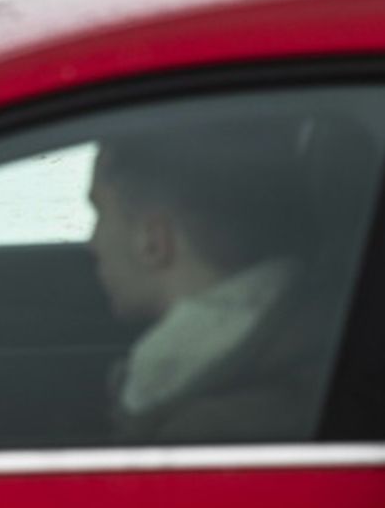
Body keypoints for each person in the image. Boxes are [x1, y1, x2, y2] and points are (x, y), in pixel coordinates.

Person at [86, 118, 336, 444]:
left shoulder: (205, 431)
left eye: (100, 213)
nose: (91, 243)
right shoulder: (302, 341)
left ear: (152, 241)